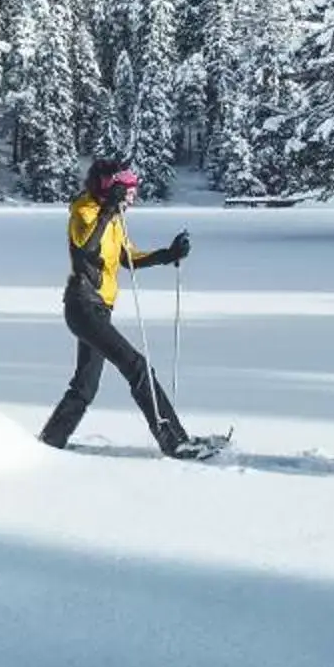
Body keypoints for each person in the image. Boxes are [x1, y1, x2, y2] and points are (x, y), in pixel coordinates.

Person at [39, 158, 210, 458]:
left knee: (85, 387)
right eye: (127, 191)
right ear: (110, 187)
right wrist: (107, 210)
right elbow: (86, 247)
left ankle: (50, 441)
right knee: (137, 367)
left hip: (98, 310)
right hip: (82, 306)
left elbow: (128, 257)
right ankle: (174, 441)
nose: (132, 197)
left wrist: (168, 254)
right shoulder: (84, 211)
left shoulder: (113, 217)